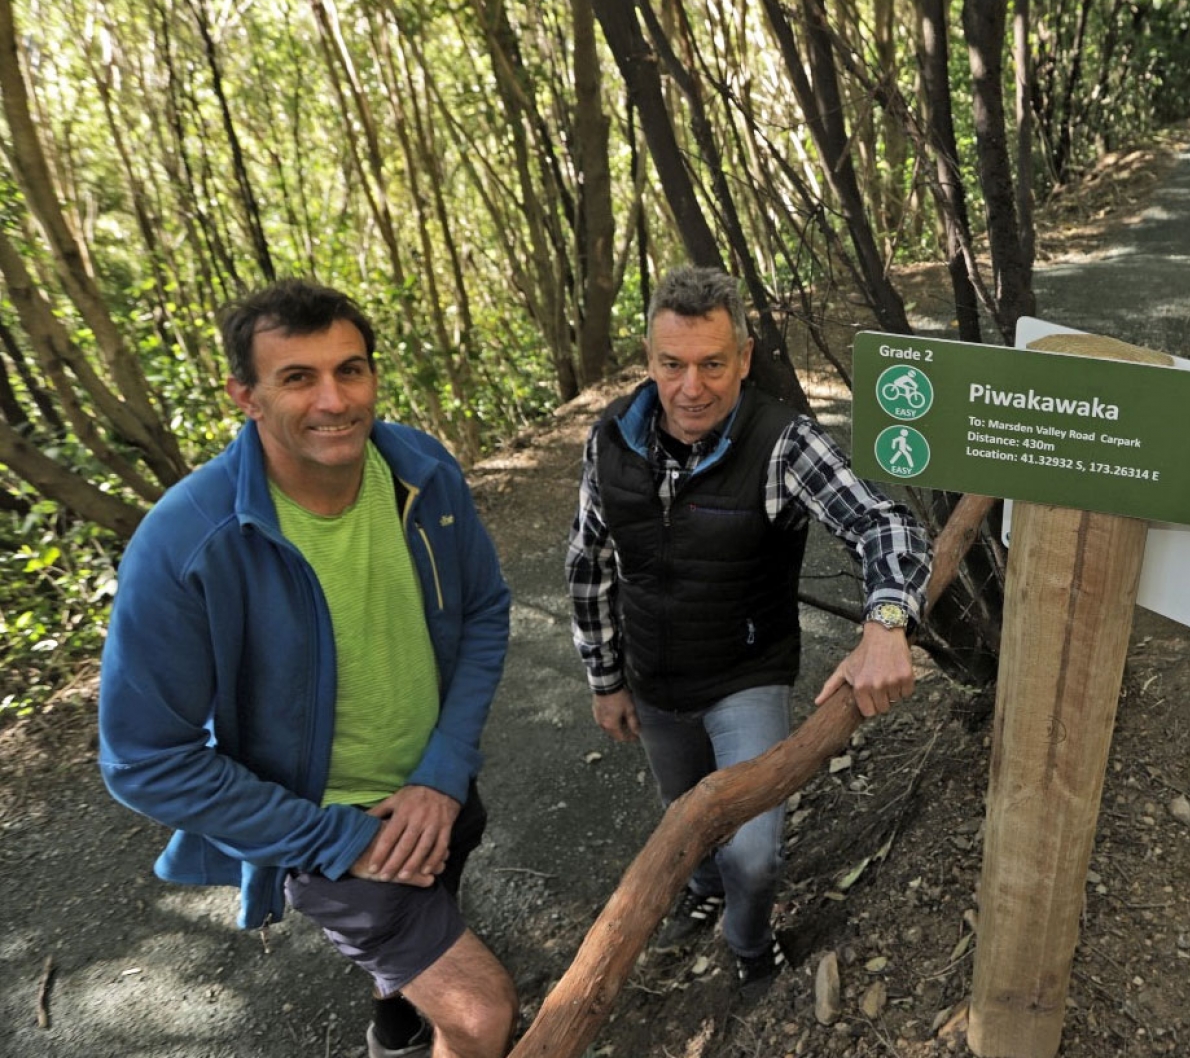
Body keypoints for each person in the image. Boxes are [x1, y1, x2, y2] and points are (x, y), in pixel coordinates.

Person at [97, 280, 517, 1058]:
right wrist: (335, 840)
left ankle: (392, 1020)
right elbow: (143, 758)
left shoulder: (419, 470)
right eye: (298, 378)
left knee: (438, 896)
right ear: (245, 396)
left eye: (350, 370)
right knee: (481, 1013)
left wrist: (442, 774)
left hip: (438, 789)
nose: (335, 399)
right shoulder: (188, 541)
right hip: (327, 828)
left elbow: (486, 610)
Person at [566, 265, 930, 994]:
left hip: (746, 676)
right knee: (685, 813)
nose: (691, 387)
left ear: (743, 356)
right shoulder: (611, 441)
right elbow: (588, 565)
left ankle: (749, 942)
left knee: (755, 854)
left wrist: (886, 621)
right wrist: (606, 681)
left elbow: (881, 522)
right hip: (654, 681)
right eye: (672, 364)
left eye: (711, 364)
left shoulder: (781, 441)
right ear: (650, 359)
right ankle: (701, 890)